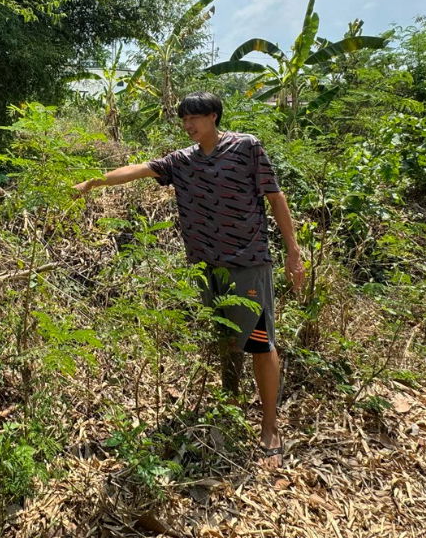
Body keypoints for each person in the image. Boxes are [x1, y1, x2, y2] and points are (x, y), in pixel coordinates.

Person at [73, 91, 305, 467]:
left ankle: (269, 426)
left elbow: (275, 198)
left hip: (246, 261)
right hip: (205, 265)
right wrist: (92, 183)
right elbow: (137, 170)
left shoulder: (246, 147)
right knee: (226, 338)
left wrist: (293, 251)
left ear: (213, 115)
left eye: (193, 118)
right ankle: (230, 403)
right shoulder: (181, 161)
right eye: (183, 120)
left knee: (260, 342)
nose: (187, 125)